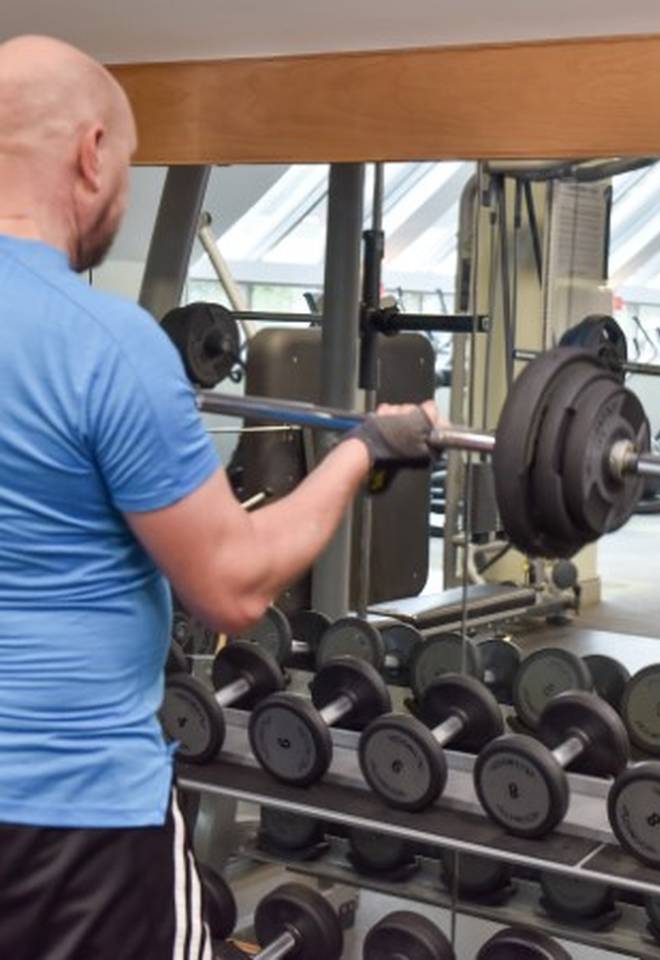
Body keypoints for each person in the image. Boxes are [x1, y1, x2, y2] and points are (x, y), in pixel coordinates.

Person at [0, 35, 438, 960]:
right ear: (90, 154)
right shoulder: (104, 343)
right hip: (70, 820)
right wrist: (360, 450)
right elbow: (233, 589)